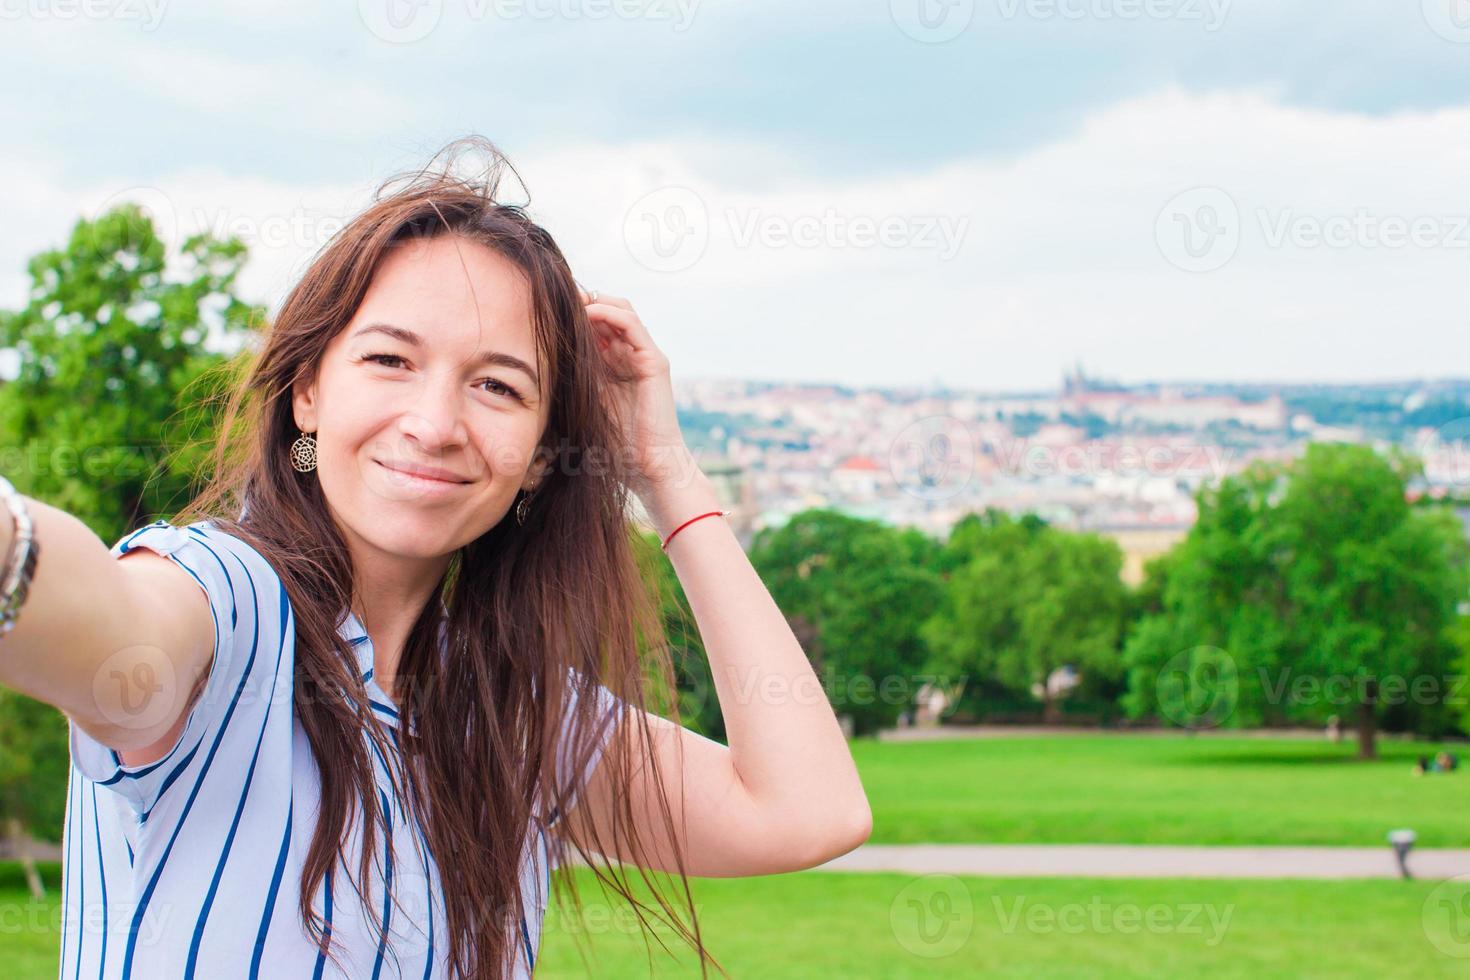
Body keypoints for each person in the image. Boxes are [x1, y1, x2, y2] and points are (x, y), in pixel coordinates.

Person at [0, 137, 872, 978]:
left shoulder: (512, 710)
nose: (435, 423)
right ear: (309, 392)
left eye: (498, 385)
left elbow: (806, 812)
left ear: (540, 455)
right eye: (389, 359)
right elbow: (98, 607)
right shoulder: (230, 605)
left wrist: (662, 471)